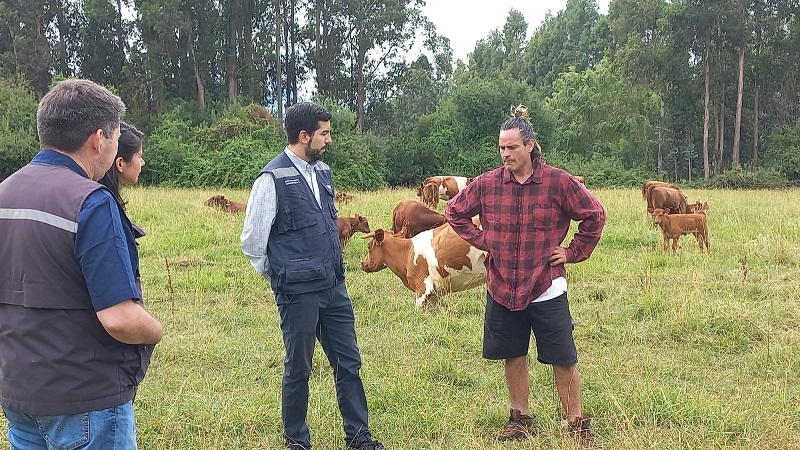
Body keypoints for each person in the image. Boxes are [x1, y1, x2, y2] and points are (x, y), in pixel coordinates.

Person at [0, 79, 163, 449]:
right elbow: (120, 318)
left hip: (20, 396)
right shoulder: (91, 201)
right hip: (86, 401)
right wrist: (156, 330)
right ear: (99, 139)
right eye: (117, 137)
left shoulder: (4, 192)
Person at [445, 105, 606, 447]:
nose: (506, 154)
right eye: (502, 148)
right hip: (502, 284)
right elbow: (454, 211)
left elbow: (594, 215)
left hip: (546, 285)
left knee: (563, 355)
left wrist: (572, 252)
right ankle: (520, 418)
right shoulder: (487, 184)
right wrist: (482, 240)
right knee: (512, 353)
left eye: (512, 147)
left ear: (530, 145)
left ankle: (575, 422)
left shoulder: (557, 182)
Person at [240, 101, 384, 450]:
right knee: (299, 368)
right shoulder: (271, 179)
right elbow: (252, 242)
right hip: (298, 294)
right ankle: (297, 442)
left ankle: (359, 438)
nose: (328, 140)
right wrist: (283, 278)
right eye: (324, 134)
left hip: (334, 287)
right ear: (304, 136)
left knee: (348, 363)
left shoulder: (322, 173)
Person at [98, 121, 148, 288]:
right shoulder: (104, 210)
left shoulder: (99, 201)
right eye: (139, 156)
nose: (142, 163)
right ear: (120, 163)